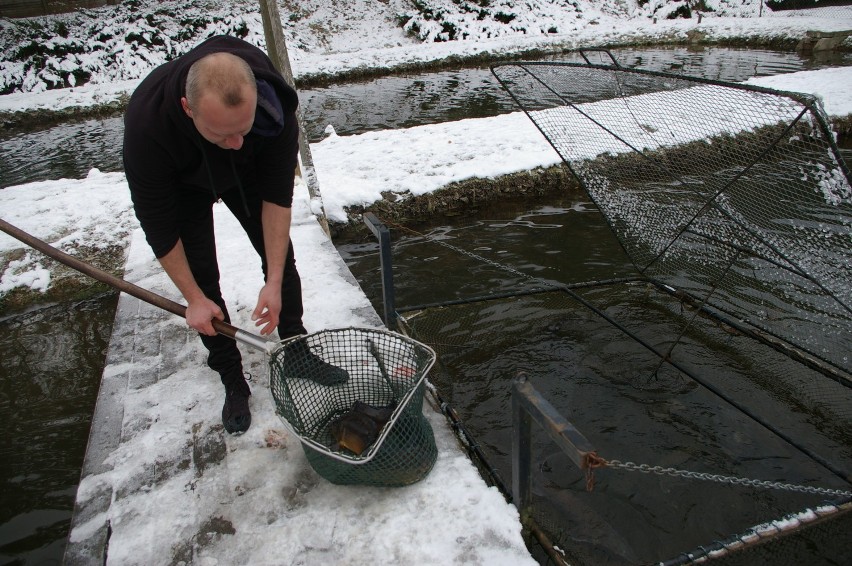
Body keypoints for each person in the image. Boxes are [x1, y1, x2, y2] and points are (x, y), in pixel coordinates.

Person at [123, 35, 346, 436]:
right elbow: (158, 227)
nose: (235, 141)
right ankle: (231, 376)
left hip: (247, 174)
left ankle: (296, 350)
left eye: (242, 128)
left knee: (281, 258)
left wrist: (273, 281)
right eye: (222, 134)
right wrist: (193, 299)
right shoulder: (147, 128)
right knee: (204, 282)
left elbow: (277, 201)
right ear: (188, 109)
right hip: (184, 185)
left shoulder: (272, 110)